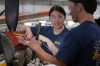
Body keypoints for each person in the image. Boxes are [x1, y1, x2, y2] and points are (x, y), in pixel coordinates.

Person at [22, 0, 100, 66]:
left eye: (70, 7)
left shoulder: (77, 33)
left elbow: (58, 62)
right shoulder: (97, 30)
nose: (70, 13)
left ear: (79, 7)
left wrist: (36, 47)